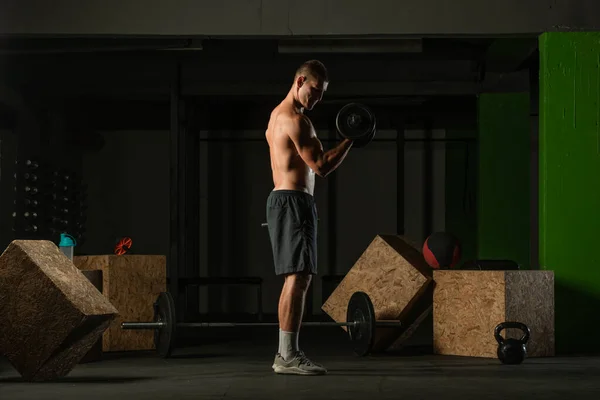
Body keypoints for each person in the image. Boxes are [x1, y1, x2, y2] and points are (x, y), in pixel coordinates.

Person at [264, 60, 354, 375]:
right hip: (293, 201)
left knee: (297, 276)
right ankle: (286, 356)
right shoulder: (295, 121)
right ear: (300, 81)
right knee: (298, 277)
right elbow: (321, 165)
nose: (316, 100)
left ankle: (286, 353)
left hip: (283, 199)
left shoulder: (275, 117)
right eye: (314, 92)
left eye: (321, 95)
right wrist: (351, 138)